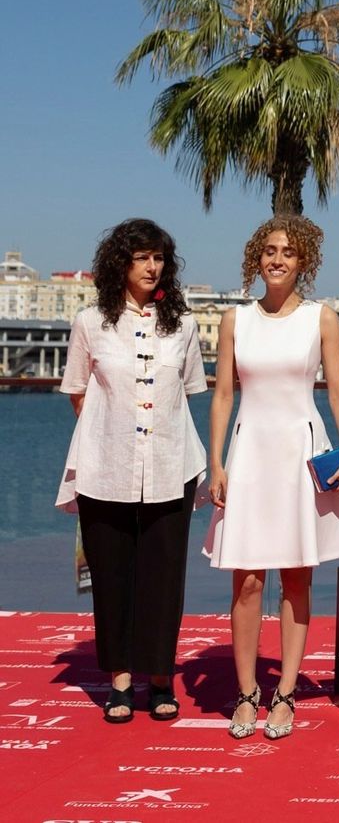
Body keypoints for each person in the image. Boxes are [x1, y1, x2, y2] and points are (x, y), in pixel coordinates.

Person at [204, 215, 339, 740]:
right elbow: (223, 395)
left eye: (288, 252)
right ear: (257, 258)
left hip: (302, 453)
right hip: (248, 453)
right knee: (247, 579)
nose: (277, 259)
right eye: (270, 250)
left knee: (297, 577)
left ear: (303, 262)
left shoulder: (322, 318)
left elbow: (337, 390)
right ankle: (247, 692)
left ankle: (286, 692)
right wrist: (216, 462)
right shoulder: (234, 319)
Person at [57, 218, 207, 723]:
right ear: (119, 263)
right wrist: (113, 436)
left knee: (164, 580)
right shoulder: (89, 322)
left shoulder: (183, 325)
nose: (151, 266)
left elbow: (188, 392)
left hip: (171, 466)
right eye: (141, 256)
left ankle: (161, 679)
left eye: (158, 257)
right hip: (105, 467)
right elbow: (78, 392)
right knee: (112, 577)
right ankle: (120, 682)